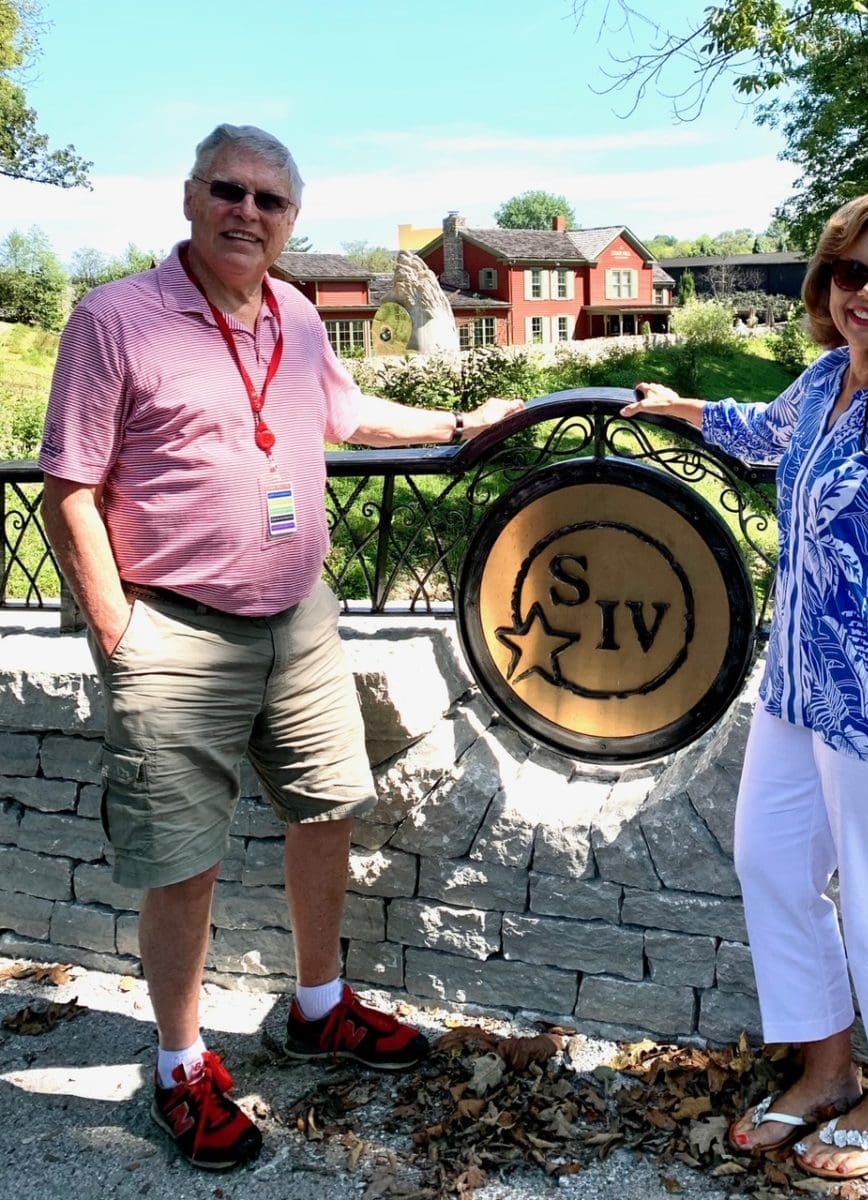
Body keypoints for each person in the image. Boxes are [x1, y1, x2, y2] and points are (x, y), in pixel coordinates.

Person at [39, 123, 524, 1172]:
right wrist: (118, 634)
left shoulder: (298, 317)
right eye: (229, 191)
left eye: (269, 200)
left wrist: (468, 423)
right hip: (171, 624)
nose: (247, 212)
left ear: (292, 219)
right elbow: (68, 489)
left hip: (295, 615)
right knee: (183, 857)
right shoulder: (114, 318)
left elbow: (344, 412)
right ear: (190, 197)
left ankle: (316, 1007)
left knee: (327, 806)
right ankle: (178, 1064)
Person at [622, 190, 868, 1182]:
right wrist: (680, 411)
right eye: (852, 272)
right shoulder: (828, 377)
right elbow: (762, 432)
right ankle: (826, 1069)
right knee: (769, 864)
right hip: (796, 686)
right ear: (825, 283)